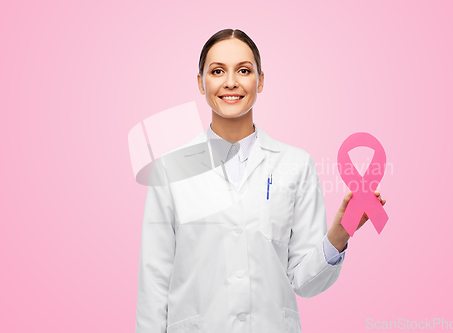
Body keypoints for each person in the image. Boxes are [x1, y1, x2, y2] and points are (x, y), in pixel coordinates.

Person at [135, 28, 386, 333]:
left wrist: (339, 235)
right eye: (217, 71)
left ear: (261, 80)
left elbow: (304, 282)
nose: (231, 82)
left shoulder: (295, 165)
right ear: (201, 83)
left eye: (243, 70)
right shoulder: (171, 169)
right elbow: (154, 279)